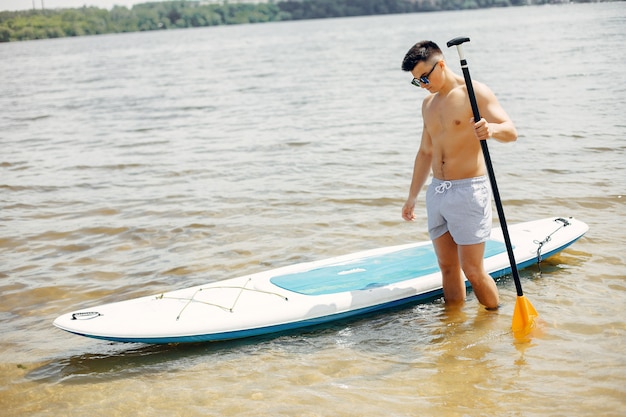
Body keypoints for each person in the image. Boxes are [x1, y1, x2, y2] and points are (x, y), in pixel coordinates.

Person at [400, 40, 517, 310]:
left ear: (441, 64)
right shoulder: (428, 104)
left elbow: (511, 131)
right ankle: (454, 329)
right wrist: (411, 197)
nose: (423, 85)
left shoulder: (474, 93)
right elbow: (425, 152)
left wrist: (492, 130)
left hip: (468, 190)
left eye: (424, 78)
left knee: (473, 270)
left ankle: (493, 319)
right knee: (447, 268)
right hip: (438, 191)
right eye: (417, 81)